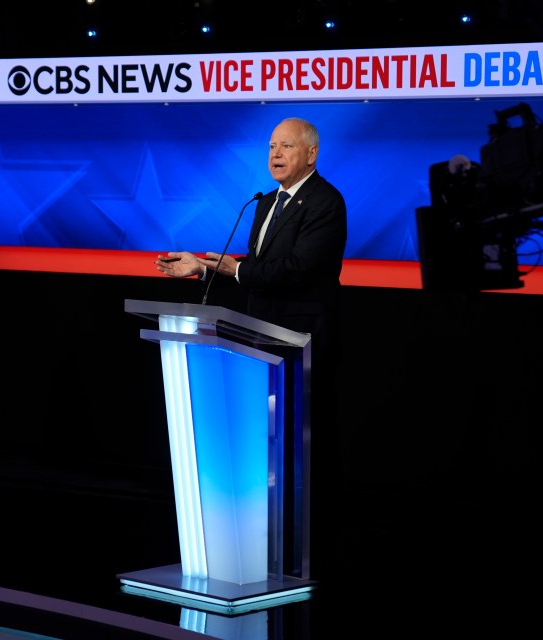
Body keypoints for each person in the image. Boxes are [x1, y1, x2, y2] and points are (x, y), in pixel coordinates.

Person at [154, 116, 348, 581]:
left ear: (311, 154)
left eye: (286, 146)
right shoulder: (264, 204)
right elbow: (257, 271)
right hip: (259, 337)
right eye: (271, 146)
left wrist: (230, 271)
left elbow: (294, 270)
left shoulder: (326, 201)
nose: (276, 154)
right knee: (263, 445)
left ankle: (305, 557)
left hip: (302, 342)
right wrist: (202, 269)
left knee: (300, 449)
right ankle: (257, 545)